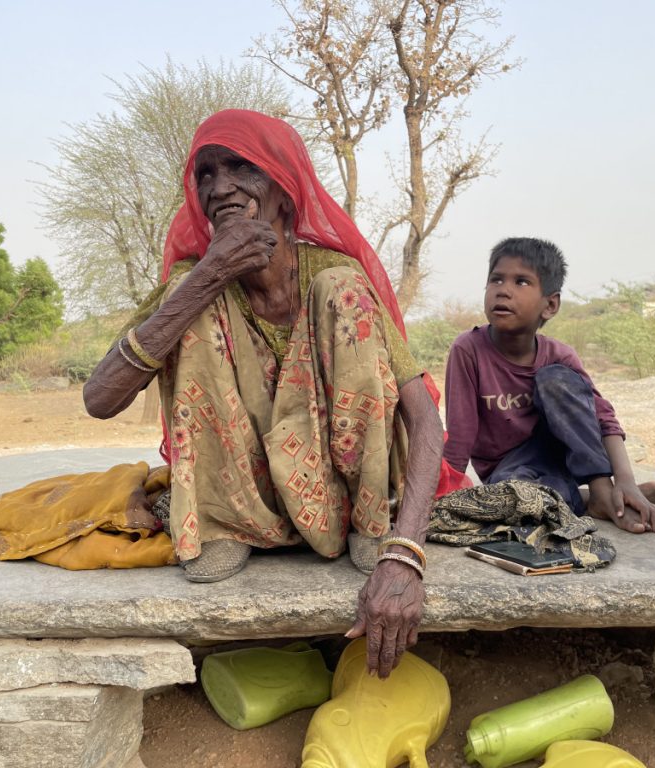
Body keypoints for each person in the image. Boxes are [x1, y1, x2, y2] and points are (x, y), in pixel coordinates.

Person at [83, 110, 444, 679]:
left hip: (337, 492)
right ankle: (227, 524)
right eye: (206, 173)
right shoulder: (196, 276)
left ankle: (369, 519)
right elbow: (99, 399)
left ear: (283, 188)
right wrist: (211, 273)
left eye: (241, 167)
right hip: (245, 492)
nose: (220, 187)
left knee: (342, 289)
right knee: (189, 300)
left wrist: (407, 555)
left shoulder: (333, 270)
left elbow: (424, 419)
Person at [443, 237, 655, 533]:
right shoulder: (468, 350)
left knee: (556, 379)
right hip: (509, 471)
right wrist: (443, 495)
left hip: (564, 457)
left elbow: (602, 418)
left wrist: (626, 481)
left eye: (521, 282)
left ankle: (603, 490)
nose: (503, 290)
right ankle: (592, 501)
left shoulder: (560, 355)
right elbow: (460, 434)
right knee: (509, 501)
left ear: (550, 305)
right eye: (496, 279)